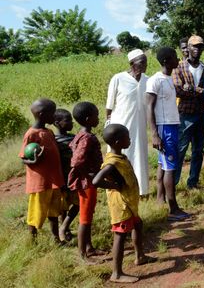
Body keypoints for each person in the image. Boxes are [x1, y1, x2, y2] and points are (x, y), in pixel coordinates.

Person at [93, 124, 156, 284]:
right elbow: (96, 180)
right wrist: (114, 186)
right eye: (126, 137)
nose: (129, 139)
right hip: (121, 205)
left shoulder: (119, 157)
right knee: (120, 235)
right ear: (116, 142)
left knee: (138, 225)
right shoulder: (112, 163)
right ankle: (116, 273)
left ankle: (140, 256)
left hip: (129, 202)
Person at [146, 47, 190, 221]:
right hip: (164, 128)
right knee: (170, 167)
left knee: (163, 165)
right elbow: (148, 107)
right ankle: (173, 208)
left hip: (172, 125)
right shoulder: (155, 80)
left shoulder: (169, 79)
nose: (177, 59)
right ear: (166, 61)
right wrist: (155, 134)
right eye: (173, 57)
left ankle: (160, 199)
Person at [106, 49, 150, 195]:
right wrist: (109, 124)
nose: (145, 65)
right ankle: (118, 188)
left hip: (140, 126)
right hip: (120, 126)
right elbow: (109, 106)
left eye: (146, 61)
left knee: (139, 156)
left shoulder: (147, 80)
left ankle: (141, 190)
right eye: (141, 62)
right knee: (120, 156)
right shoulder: (118, 78)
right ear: (132, 63)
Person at [20, 98, 64, 241]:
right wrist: (32, 160)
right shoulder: (31, 134)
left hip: (54, 180)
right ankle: (32, 241)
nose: (54, 116)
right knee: (36, 213)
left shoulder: (49, 132)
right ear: (42, 114)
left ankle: (56, 239)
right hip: (40, 182)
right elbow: (23, 158)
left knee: (54, 212)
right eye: (52, 113)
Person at [68, 101, 103, 262]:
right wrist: (89, 173)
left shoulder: (80, 135)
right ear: (89, 119)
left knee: (88, 215)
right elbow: (76, 161)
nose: (98, 118)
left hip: (87, 181)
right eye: (96, 115)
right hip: (86, 183)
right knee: (85, 219)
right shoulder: (87, 138)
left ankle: (89, 247)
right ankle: (83, 255)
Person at [172, 35, 204, 189]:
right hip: (185, 115)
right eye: (194, 46)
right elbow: (178, 90)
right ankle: (172, 183)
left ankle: (193, 182)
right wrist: (198, 91)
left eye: (200, 47)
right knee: (180, 150)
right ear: (188, 48)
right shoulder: (179, 67)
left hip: (201, 115)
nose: (197, 49)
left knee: (198, 151)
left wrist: (191, 88)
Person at [53, 108, 79, 242]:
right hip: (61, 177)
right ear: (57, 123)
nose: (71, 122)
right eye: (67, 120)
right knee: (64, 205)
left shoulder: (74, 137)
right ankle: (65, 228)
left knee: (77, 203)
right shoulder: (53, 140)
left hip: (73, 177)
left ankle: (64, 226)